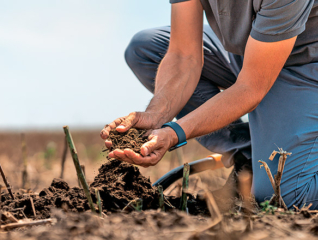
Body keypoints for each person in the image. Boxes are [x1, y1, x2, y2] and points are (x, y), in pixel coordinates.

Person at [101, 0, 318, 209]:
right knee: (146, 49)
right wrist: (156, 115)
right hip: (251, 48)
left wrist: (174, 132)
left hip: (304, 64)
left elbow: (251, 88)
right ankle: (247, 158)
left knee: (283, 196)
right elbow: (183, 55)